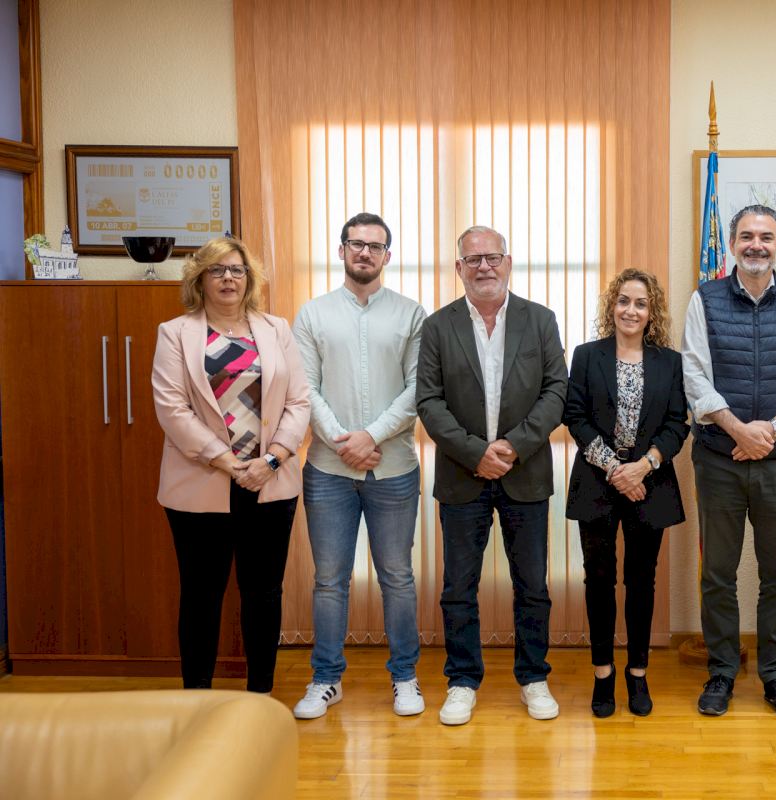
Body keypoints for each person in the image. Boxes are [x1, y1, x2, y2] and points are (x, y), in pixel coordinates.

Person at [416, 225, 568, 726]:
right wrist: (475, 453)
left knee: (533, 585)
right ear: (459, 268)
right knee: (459, 587)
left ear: (508, 262)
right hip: (463, 476)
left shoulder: (540, 320)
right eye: (473, 259)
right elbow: (429, 401)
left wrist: (514, 446)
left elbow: (556, 391)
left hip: (526, 473)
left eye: (493, 257)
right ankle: (462, 680)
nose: (484, 266)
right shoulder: (438, 326)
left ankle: (534, 677)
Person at [681, 204, 776, 718]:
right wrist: (738, 430)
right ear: (732, 244)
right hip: (719, 459)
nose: (756, 245)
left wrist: (774, 430)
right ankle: (722, 671)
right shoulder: (705, 299)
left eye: (766, 237)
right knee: (718, 574)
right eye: (746, 236)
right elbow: (694, 373)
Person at [151, 236, 310, 693]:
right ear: (200, 279)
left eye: (237, 270)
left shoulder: (276, 329)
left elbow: (299, 401)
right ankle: (197, 698)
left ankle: (260, 694)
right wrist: (228, 463)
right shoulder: (176, 333)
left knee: (264, 593)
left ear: (249, 279)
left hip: (269, 482)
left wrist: (272, 459)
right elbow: (172, 409)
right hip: (201, 484)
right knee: (201, 595)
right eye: (217, 270)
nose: (228, 278)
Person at [290, 213, 428, 720]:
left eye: (375, 245)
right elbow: (305, 389)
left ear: (388, 255)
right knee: (329, 580)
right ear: (341, 250)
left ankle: (405, 677)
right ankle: (326, 679)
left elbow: (418, 389)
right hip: (328, 472)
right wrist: (344, 443)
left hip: (394, 468)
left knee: (397, 577)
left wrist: (370, 436)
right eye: (356, 243)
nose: (364, 252)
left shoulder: (412, 314)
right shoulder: (312, 314)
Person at [563, 268, 689, 718]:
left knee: (641, 580)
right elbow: (575, 416)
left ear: (651, 312)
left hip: (649, 484)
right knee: (598, 579)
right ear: (611, 306)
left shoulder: (669, 362)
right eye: (623, 301)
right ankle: (603, 674)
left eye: (640, 303)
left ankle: (638, 672)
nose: (630, 310)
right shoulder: (587, 355)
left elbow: (677, 424)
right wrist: (616, 469)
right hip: (597, 483)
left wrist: (643, 466)